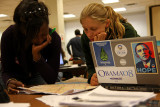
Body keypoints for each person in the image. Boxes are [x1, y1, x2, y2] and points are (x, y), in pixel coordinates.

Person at [1, 0, 61, 94]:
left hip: (36, 74)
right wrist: (9, 81)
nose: (40, 40)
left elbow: (51, 79)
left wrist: (37, 57)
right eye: (33, 35)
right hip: (14, 76)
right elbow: (6, 71)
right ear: (22, 30)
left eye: (44, 35)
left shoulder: (54, 38)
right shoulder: (9, 35)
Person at [80, 3, 140, 86]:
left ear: (107, 23)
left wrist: (101, 47)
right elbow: (90, 65)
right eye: (85, 29)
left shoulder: (126, 30)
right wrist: (92, 77)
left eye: (93, 29)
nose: (89, 34)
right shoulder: (85, 38)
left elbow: (128, 66)